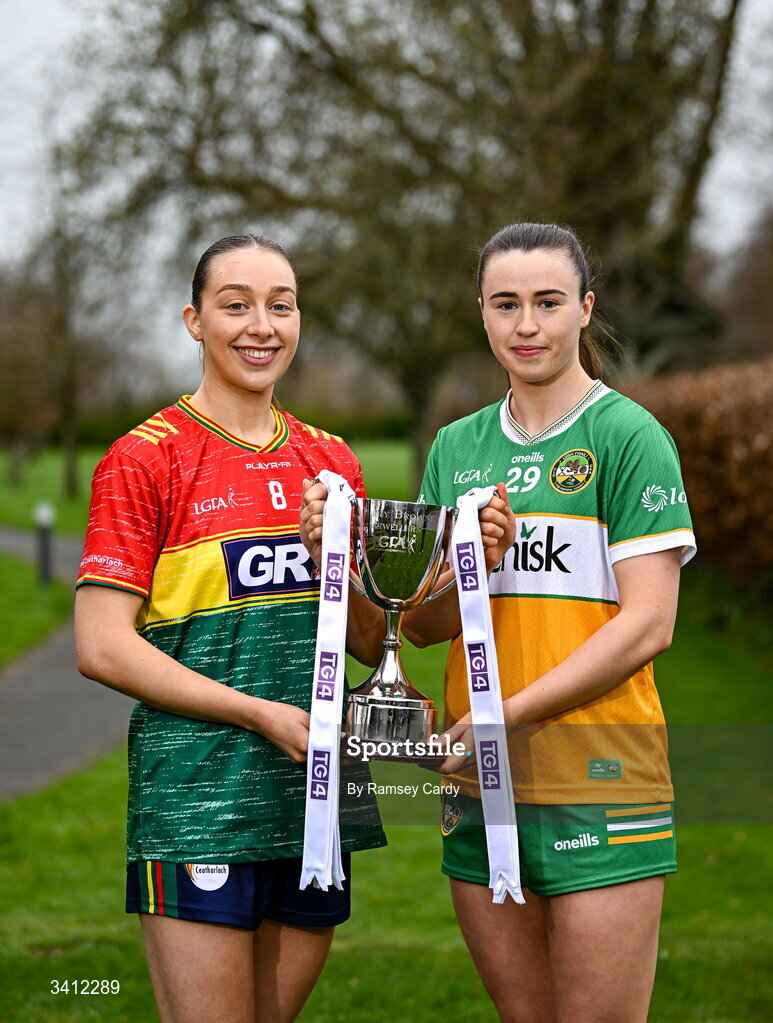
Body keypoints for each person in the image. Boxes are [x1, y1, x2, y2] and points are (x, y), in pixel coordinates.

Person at [74, 233, 386, 1023]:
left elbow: (368, 640)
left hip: (318, 797)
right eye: (236, 304)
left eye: (281, 306)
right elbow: (101, 644)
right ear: (194, 320)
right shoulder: (143, 459)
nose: (261, 326)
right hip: (198, 799)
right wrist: (256, 712)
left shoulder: (331, 459)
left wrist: (333, 557)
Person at [397, 221, 696, 1023]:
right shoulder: (455, 446)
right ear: (482, 313)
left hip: (600, 777)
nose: (525, 324)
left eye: (547, 302)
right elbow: (421, 625)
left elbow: (648, 624)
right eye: (505, 304)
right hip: (479, 785)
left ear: (584, 308)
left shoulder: (628, 436)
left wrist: (504, 715)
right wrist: (476, 560)